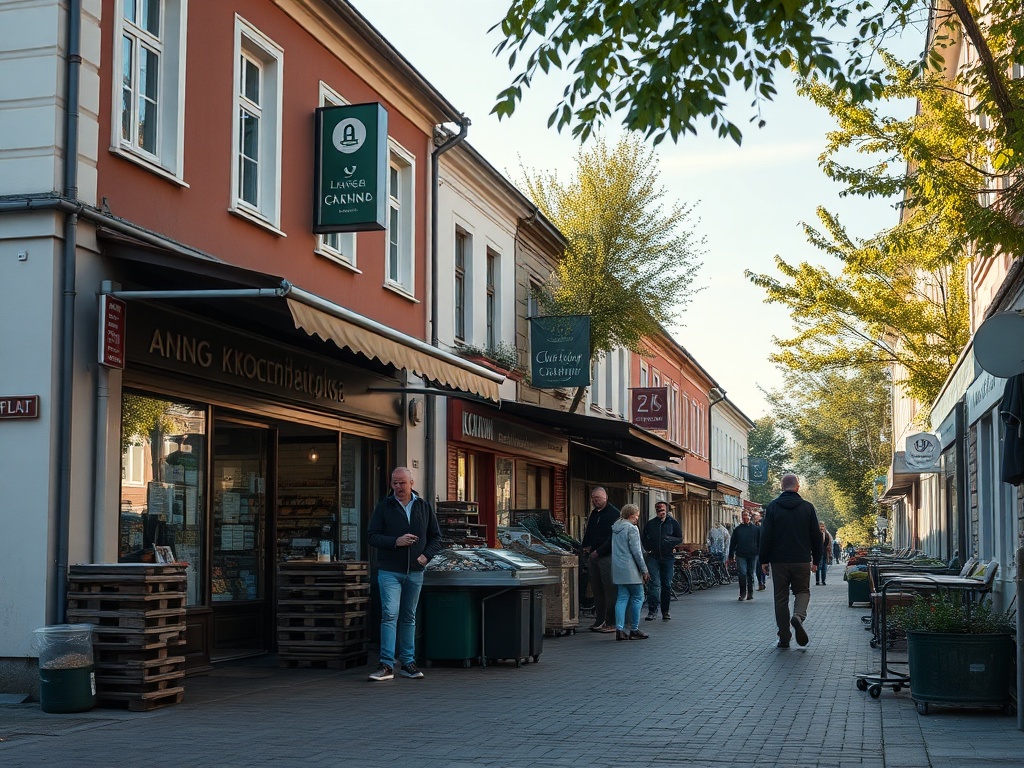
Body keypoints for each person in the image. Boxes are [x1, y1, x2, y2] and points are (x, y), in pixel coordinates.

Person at [366, 467, 442, 681]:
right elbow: (372, 536)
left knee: (409, 617)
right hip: (389, 570)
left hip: (415, 571)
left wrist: (426, 556)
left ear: (412, 483)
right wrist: (395, 542)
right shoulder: (384, 506)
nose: (398, 487)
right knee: (390, 615)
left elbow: (436, 537)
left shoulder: (423, 507)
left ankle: (408, 663)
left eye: (402, 483)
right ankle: (386, 664)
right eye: (395, 483)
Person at [759, 474, 822, 649]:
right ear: (798, 487)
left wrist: (763, 559)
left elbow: (765, 535)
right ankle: (799, 616)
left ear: (781, 487)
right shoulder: (808, 508)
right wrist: (816, 559)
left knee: (780, 598)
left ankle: (784, 637)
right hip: (801, 559)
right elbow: (816, 536)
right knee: (802, 591)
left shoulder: (772, 507)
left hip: (778, 561)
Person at [581, 487, 619, 633]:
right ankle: (599, 618)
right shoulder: (594, 514)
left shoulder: (613, 513)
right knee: (596, 590)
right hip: (593, 556)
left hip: (606, 556)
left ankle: (611, 621)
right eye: (592, 498)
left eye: (597, 498)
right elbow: (589, 531)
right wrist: (585, 546)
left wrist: (599, 551)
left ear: (605, 497)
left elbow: (612, 538)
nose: (594, 500)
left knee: (609, 589)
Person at [611, 504, 650, 640]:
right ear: (631, 515)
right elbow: (637, 552)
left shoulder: (616, 528)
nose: (637, 519)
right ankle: (634, 628)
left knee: (621, 598)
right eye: (637, 516)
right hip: (631, 569)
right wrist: (644, 570)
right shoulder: (632, 529)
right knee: (638, 597)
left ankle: (619, 629)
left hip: (618, 568)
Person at [641, 500, 683, 621]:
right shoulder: (651, 524)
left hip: (668, 557)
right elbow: (644, 537)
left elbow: (679, 538)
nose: (661, 512)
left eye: (663, 510)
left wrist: (668, 541)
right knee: (654, 584)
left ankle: (665, 611)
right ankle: (652, 610)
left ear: (667, 510)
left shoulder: (673, 523)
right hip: (653, 557)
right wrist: (648, 548)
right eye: (659, 510)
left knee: (666, 585)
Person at [727, 510, 760, 601]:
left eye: (747, 515)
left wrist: (759, 552)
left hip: (752, 554)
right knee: (742, 573)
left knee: (750, 574)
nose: (745, 517)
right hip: (741, 554)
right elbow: (733, 543)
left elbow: (759, 541)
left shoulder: (755, 529)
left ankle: (750, 593)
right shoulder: (738, 529)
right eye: (743, 516)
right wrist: (731, 555)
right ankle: (742, 593)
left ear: (750, 516)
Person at [752, 511, 767, 591]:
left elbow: (756, 539)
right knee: (762, 566)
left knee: (759, 567)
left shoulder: (757, 528)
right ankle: (762, 582)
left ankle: (761, 582)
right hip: (764, 549)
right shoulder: (767, 526)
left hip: (758, 550)